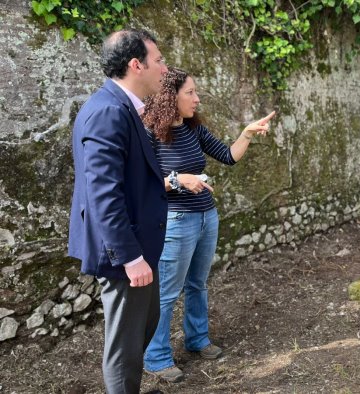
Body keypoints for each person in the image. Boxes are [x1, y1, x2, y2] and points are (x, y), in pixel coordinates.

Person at [140, 67, 275, 382]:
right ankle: (156, 357)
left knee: (198, 284)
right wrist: (177, 180)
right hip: (175, 221)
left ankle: (197, 339)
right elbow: (142, 185)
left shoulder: (193, 129)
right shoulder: (149, 133)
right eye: (190, 92)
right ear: (169, 97)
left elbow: (228, 157)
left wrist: (247, 134)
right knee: (167, 292)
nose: (197, 98)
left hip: (206, 216)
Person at [68, 29, 169, 393]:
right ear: (135, 64)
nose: (165, 68)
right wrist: (130, 257)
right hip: (124, 252)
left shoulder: (123, 107)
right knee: (124, 346)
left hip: (139, 246)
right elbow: (102, 193)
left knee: (146, 322)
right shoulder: (109, 111)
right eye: (159, 60)